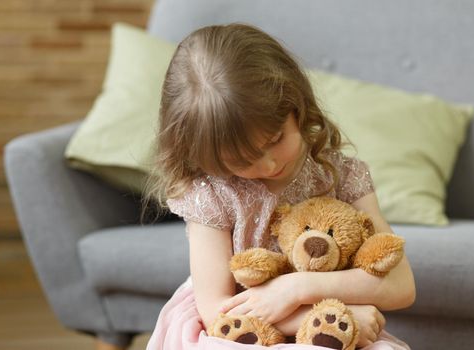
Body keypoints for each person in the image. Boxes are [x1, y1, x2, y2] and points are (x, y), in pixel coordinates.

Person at [143, 23, 415, 350]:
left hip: (328, 319)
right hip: (237, 329)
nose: (269, 165)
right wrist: (309, 318)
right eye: (242, 160)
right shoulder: (211, 193)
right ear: (206, 156)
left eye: (276, 139)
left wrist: (297, 289)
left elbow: (402, 285)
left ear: (295, 105)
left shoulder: (340, 175)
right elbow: (217, 311)